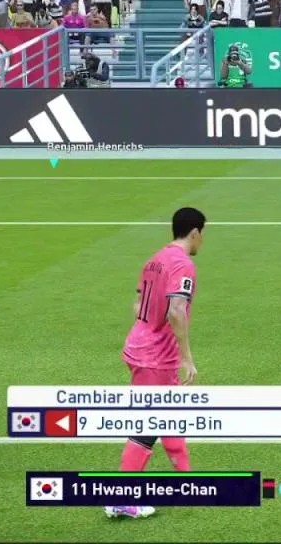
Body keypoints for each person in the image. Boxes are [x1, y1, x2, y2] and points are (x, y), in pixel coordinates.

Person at [108, 207, 206, 520]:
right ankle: (120, 498)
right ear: (195, 233)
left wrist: (147, 328)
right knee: (149, 423)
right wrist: (186, 356)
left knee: (169, 416)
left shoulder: (155, 259)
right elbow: (176, 310)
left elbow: (138, 303)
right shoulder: (183, 264)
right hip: (156, 357)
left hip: (140, 346)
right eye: (202, 234)